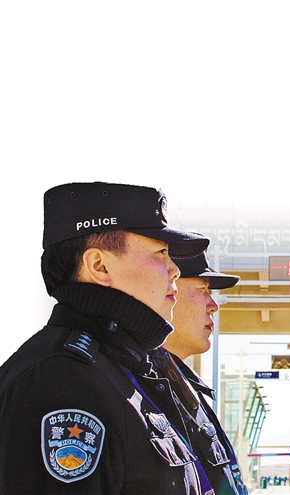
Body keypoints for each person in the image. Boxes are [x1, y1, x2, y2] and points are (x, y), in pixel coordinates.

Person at [0, 182, 211, 494]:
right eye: (161, 252)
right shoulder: (61, 379)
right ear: (99, 266)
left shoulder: (119, 368)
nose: (175, 270)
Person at [150, 251, 249, 495]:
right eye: (203, 290)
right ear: (167, 289)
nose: (214, 306)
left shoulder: (181, 386)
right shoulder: (137, 389)